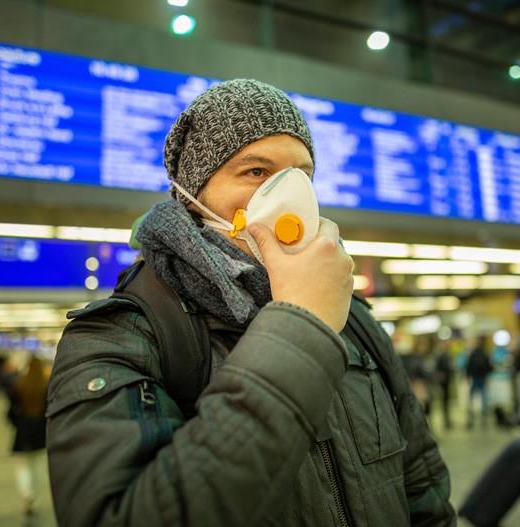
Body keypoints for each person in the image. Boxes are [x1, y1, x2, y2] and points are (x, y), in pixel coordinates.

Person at [46, 79, 455, 526]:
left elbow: (422, 491)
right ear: (193, 195)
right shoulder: (121, 337)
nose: (289, 196)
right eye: (257, 172)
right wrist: (301, 324)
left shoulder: (351, 318)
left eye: (302, 175)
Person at [9, 356, 49, 516]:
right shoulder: (46, 387)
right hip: (40, 433)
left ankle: (27, 495)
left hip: (22, 432)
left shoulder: (19, 386)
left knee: (22, 467)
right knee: (39, 468)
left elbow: (10, 411)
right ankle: (36, 499)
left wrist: (17, 423)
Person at [466, 336, 492, 429]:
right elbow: (489, 367)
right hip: (483, 378)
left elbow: (468, 365)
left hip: (475, 378)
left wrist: (468, 375)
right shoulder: (485, 353)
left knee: (471, 398)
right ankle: (484, 419)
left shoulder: (473, 353)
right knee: (484, 399)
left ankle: (470, 418)